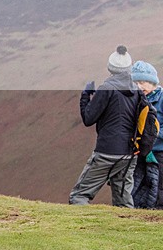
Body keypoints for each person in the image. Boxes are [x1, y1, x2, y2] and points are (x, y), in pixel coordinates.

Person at [69, 45, 140, 207]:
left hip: (106, 152)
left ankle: (84, 231)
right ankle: (129, 231)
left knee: (79, 196)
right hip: (129, 154)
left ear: (111, 68)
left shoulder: (107, 89)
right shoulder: (136, 91)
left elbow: (88, 118)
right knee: (123, 201)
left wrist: (86, 96)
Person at [130, 60, 162, 209]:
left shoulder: (161, 99)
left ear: (153, 83)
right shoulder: (133, 100)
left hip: (159, 152)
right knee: (137, 186)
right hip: (139, 153)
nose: (139, 86)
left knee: (159, 186)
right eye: (135, 82)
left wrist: (150, 136)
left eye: (143, 82)